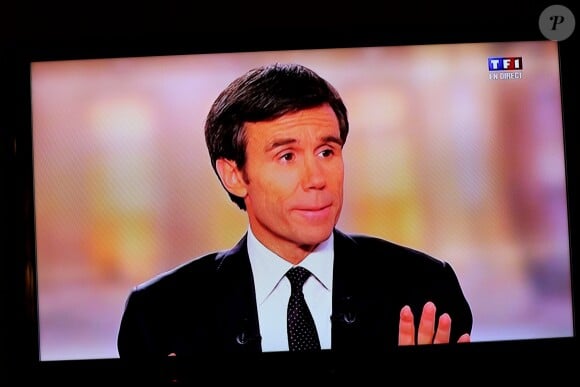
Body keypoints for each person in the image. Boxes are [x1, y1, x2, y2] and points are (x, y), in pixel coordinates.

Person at [117, 62, 472, 376]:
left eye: (326, 151)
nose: (317, 178)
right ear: (234, 175)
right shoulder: (160, 315)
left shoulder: (423, 292)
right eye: (287, 156)